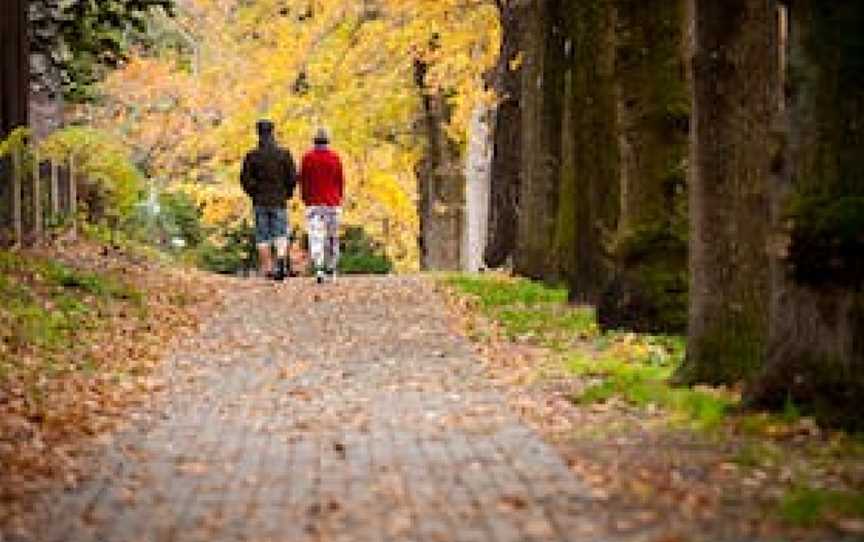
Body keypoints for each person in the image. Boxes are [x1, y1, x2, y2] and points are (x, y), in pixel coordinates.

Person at [240, 119, 297, 281]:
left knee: (262, 235)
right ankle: (280, 261)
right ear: (273, 132)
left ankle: (268, 268)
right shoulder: (284, 154)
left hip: (260, 201)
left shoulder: (252, 156)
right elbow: (292, 177)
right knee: (280, 233)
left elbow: (245, 179)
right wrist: (287, 192)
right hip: (279, 199)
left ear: (258, 133)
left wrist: (253, 192)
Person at [299, 127, 344, 283]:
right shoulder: (335, 158)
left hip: (313, 204)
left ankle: (319, 268)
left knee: (316, 237)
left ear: (314, 141)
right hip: (332, 203)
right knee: (332, 237)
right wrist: (339, 198)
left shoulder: (307, 158)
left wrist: (305, 198)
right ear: (328, 141)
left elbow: (303, 180)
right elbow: (340, 180)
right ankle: (331, 268)